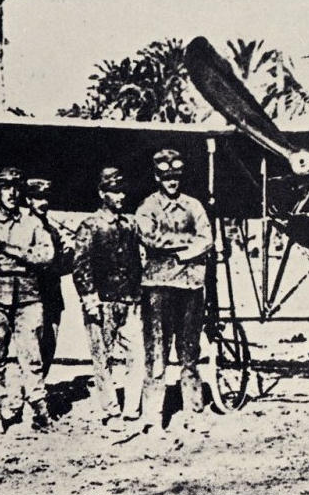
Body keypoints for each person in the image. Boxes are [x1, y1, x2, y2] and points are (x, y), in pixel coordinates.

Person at [0, 167, 55, 433]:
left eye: (16, 188)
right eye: (6, 188)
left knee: (32, 357)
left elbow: (47, 255)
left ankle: (40, 413)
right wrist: (26, 263)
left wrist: (12, 251)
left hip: (29, 299)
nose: (12, 193)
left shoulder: (32, 221)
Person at [135, 149, 214, 432]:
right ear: (157, 177)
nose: (172, 183)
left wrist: (181, 252)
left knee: (189, 353)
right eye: (166, 178)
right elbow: (150, 238)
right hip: (158, 287)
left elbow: (206, 239)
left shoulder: (194, 206)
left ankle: (194, 413)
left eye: (176, 178)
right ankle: (152, 416)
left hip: (190, 285)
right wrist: (187, 246)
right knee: (156, 352)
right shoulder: (147, 207)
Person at [72, 168, 145, 429]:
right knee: (102, 358)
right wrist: (89, 298)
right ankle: (111, 411)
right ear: (103, 193)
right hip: (101, 302)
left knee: (138, 355)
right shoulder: (90, 226)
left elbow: (139, 261)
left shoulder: (130, 225)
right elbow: (81, 266)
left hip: (129, 301)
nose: (120, 196)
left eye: (122, 191)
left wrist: (138, 297)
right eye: (114, 191)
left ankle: (132, 409)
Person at [24, 178, 75, 378]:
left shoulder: (53, 230)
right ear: (28, 200)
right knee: (31, 346)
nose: (43, 202)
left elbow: (60, 267)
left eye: (45, 198)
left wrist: (70, 254)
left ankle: (39, 387)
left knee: (49, 344)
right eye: (37, 198)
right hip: (30, 295)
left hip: (52, 295)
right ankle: (30, 391)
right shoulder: (22, 227)